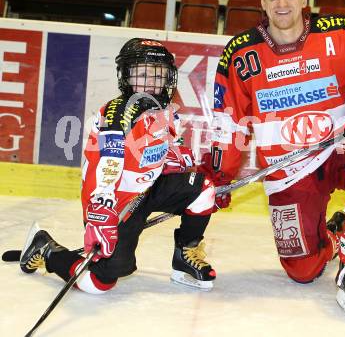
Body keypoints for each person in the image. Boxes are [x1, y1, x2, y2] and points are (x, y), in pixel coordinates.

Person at [204, 0, 345, 322]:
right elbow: (228, 123)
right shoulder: (241, 54)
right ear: (262, 3)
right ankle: (336, 234)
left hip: (342, 145)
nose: (282, 3)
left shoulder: (339, 34)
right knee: (302, 271)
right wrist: (220, 176)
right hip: (290, 169)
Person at [19, 38, 218, 293]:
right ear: (126, 76)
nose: (150, 82)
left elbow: (165, 146)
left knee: (204, 190)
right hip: (116, 199)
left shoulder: (165, 108)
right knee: (98, 283)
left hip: (149, 188)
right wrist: (102, 205)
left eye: (157, 75)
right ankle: (47, 249)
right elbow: (109, 161)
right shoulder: (117, 112)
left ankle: (184, 259)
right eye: (142, 73)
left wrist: (179, 161)